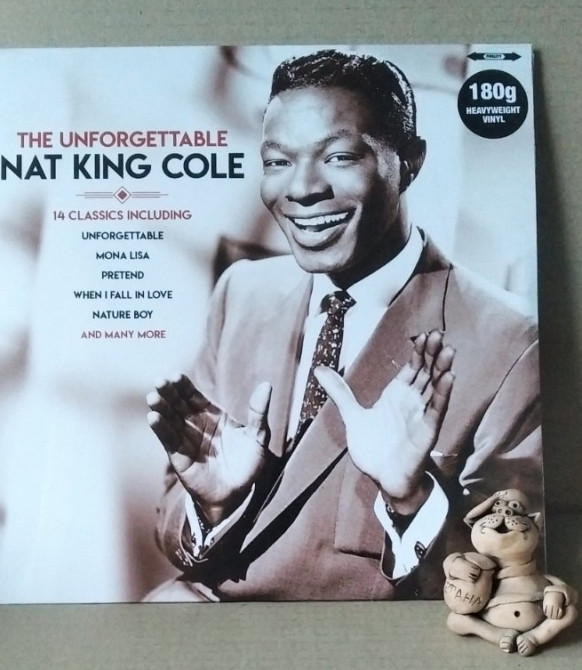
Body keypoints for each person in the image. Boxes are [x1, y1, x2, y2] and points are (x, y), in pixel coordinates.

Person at [145, 50, 542, 601]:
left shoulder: (513, 343)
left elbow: (512, 587)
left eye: (338, 156)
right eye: (277, 162)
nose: (302, 188)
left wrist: (411, 500)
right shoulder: (242, 292)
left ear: (410, 162)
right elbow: (171, 514)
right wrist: (214, 506)